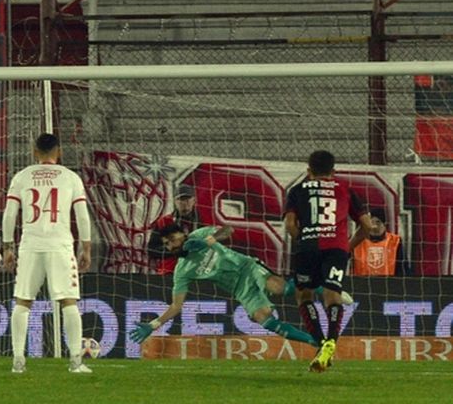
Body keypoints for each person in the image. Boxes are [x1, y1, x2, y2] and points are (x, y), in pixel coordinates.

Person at [130, 224, 318, 350]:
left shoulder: (199, 234)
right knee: (264, 319)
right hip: (240, 289)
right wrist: (153, 325)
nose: (171, 245)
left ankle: (320, 285)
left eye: (172, 238)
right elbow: (176, 305)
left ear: (183, 234)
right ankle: (315, 341)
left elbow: (227, 231)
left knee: (279, 289)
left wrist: (206, 241)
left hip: (247, 267)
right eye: (166, 244)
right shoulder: (182, 271)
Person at [2, 133, 92, 374]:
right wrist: (86, 247)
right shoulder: (70, 177)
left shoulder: (22, 177)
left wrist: (7, 246)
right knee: (68, 301)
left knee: (23, 301)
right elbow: (82, 216)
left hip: (30, 243)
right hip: (60, 244)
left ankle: (18, 361)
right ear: (58, 152)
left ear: (34, 151)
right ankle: (75, 361)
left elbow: (10, 214)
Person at [284, 150, 372, 372]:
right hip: (336, 249)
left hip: (308, 248)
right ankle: (332, 341)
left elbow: (290, 224)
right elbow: (368, 227)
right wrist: (347, 248)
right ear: (333, 172)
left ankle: (321, 343)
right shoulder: (346, 190)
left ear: (308, 171)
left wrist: (303, 240)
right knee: (332, 296)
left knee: (304, 294)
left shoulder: (297, 190)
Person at [147, 184, 201, 274]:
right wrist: (174, 249)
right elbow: (152, 250)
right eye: (180, 199)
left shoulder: (203, 222)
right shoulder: (164, 222)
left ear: (194, 200)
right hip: (170, 272)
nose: (184, 203)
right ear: (175, 202)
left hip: (195, 271)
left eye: (187, 199)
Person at [351, 208, 410, 276]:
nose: (374, 226)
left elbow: (403, 269)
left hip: (388, 284)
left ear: (384, 224)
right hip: (360, 284)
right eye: (372, 222)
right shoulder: (358, 240)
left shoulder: (395, 241)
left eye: (378, 222)